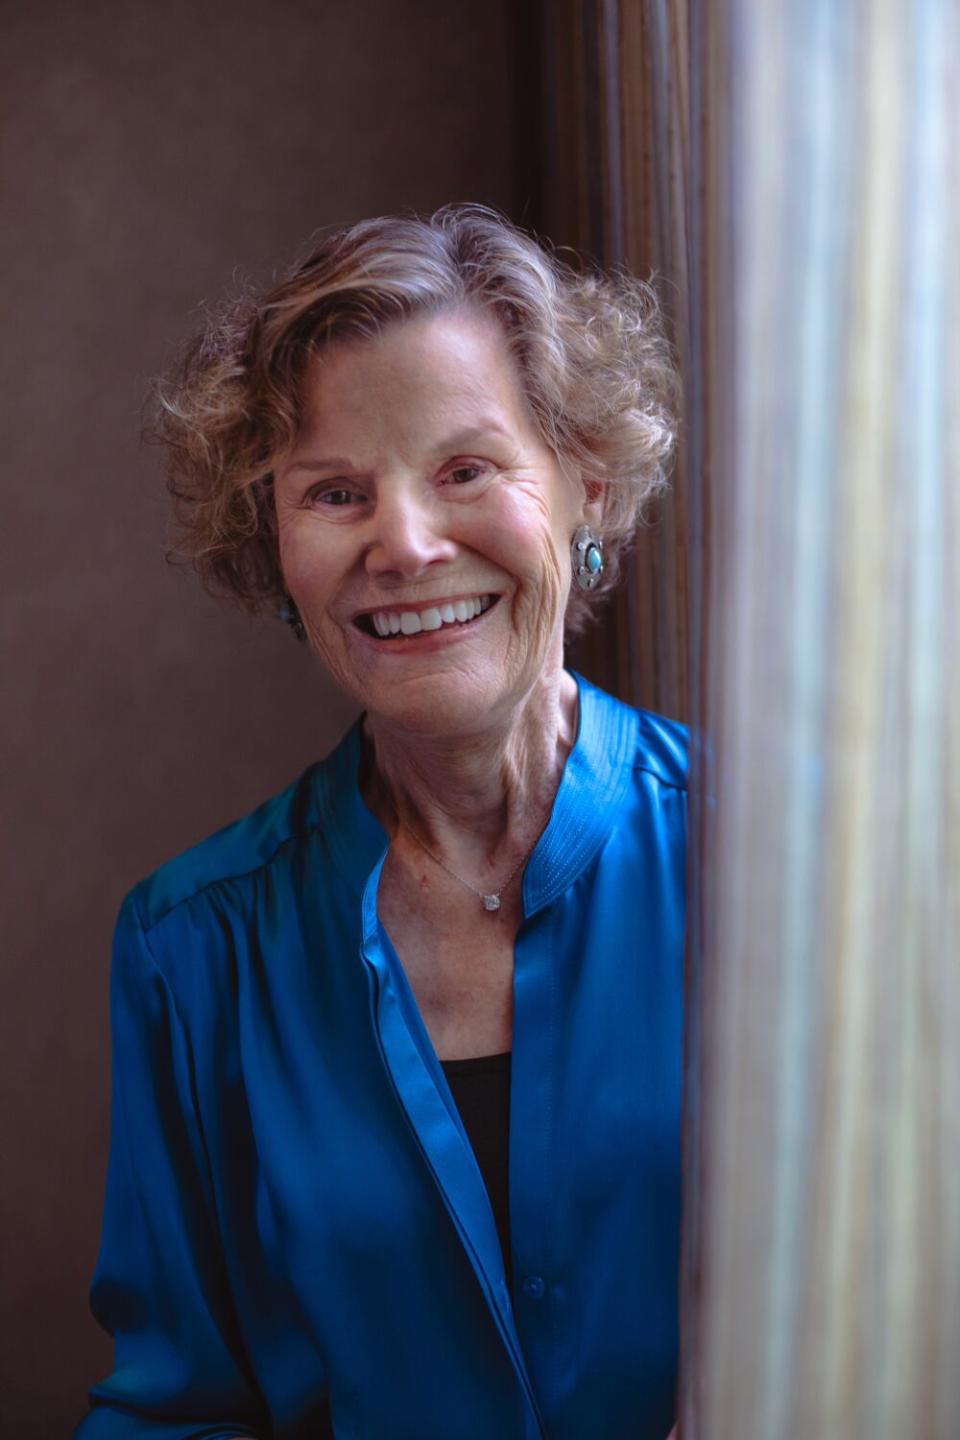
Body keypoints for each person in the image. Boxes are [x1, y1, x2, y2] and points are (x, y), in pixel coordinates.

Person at [77, 204, 688, 1440]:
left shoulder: (778, 868)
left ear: (588, 480)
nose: (404, 545)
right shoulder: (191, 950)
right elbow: (176, 1412)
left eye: (467, 468)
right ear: (276, 547)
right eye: (337, 492)